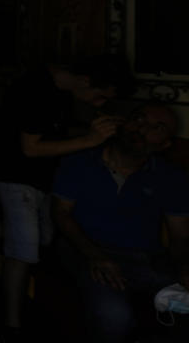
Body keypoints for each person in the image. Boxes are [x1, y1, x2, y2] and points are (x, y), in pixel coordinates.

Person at [0, 55, 133, 341]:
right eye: (99, 96)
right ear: (85, 81)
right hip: (17, 175)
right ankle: (12, 325)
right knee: (25, 250)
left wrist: (99, 132)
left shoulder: (61, 93)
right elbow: (30, 148)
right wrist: (91, 140)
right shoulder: (35, 88)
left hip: (42, 178)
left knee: (42, 236)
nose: (99, 103)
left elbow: (56, 132)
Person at [52, 103, 189, 343]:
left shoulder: (172, 177)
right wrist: (94, 255)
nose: (142, 128)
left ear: (165, 143)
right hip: (86, 251)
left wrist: (184, 269)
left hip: (146, 260)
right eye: (139, 118)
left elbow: (180, 237)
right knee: (114, 316)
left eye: (157, 127)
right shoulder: (80, 162)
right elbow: (61, 214)